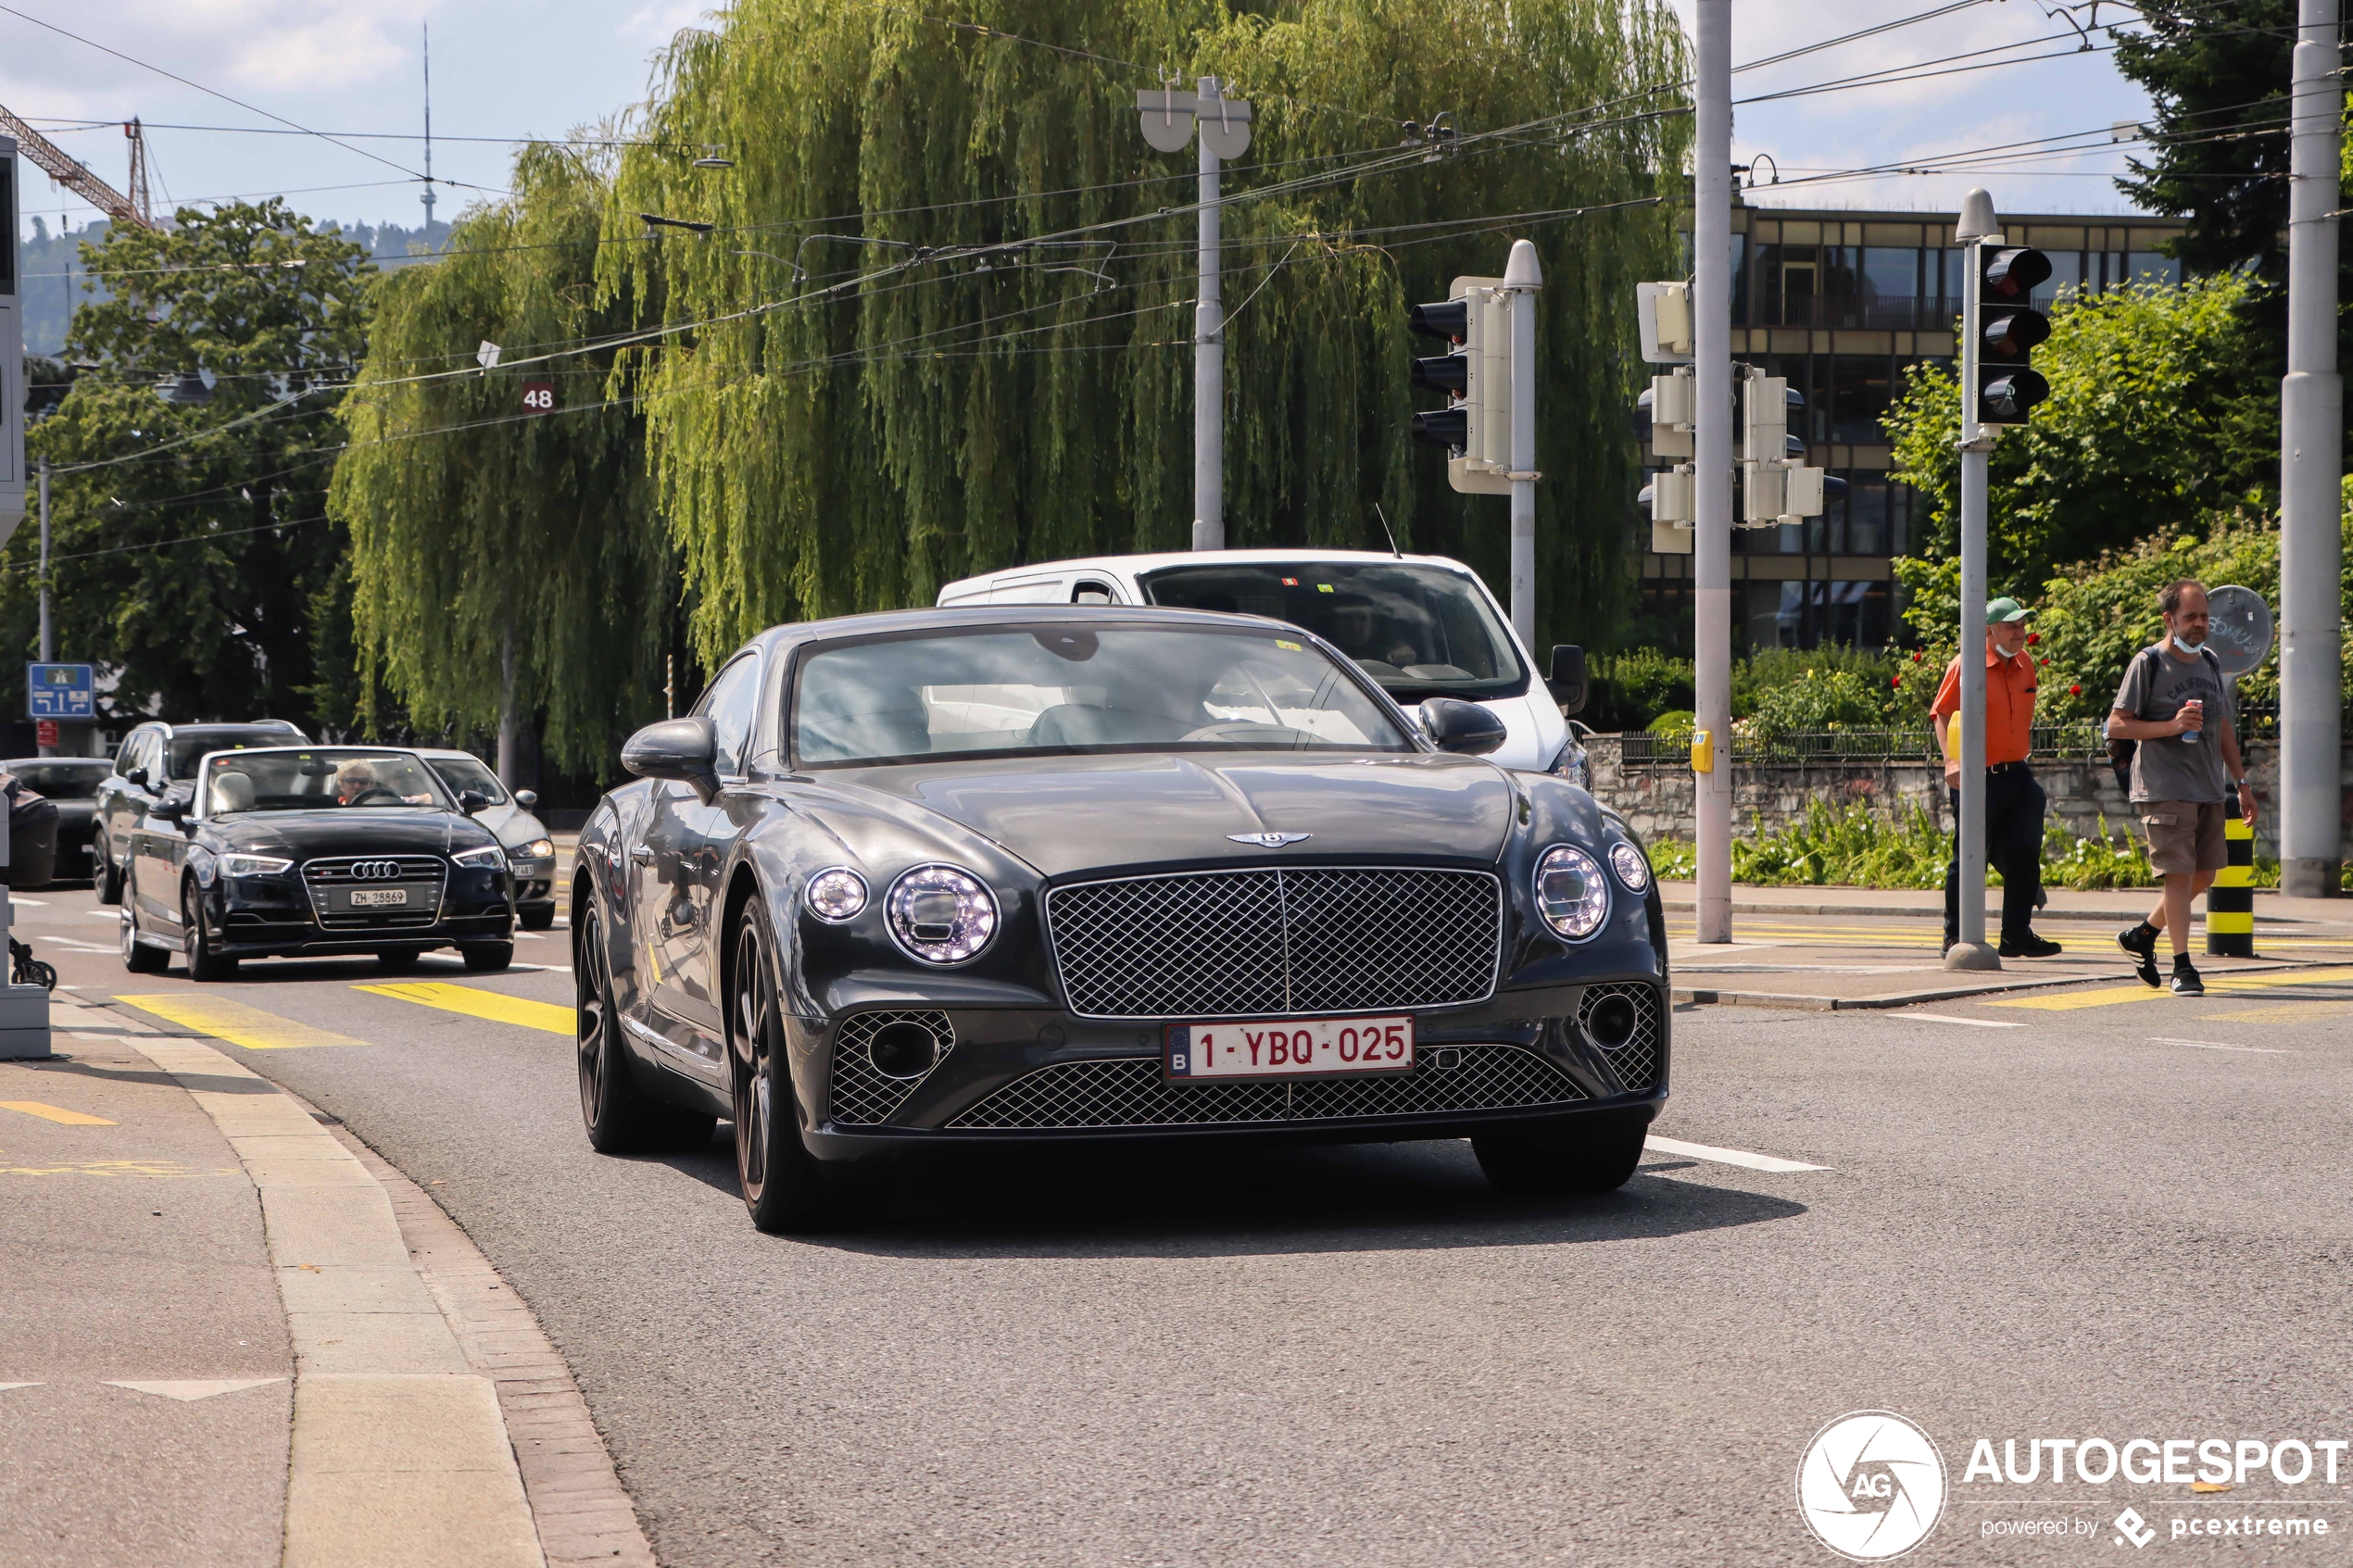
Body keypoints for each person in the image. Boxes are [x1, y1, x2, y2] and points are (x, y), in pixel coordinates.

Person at [2108, 579, 2256, 996]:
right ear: (2169, 619)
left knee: (2204, 875)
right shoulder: (2148, 662)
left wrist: (2241, 782)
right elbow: (2117, 724)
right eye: (2190, 617)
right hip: (2163, 785)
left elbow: (2223, 725)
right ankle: (2182, 967)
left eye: (2205, 617)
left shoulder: (2210, 661)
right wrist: (2171, 726)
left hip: (2207, 785)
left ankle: (2141, 936)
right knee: (2178, 875)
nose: (2199, 624)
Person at [1931, 596, 2061, 958]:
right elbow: (1941, 715)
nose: (2020, 632)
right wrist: (1951, 761)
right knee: (1967, 857)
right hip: (1976, 777)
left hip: (2016, 774)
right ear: (1989, 631)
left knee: (2025, 854)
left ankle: (2015, 936)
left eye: (2022, 625)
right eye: (2011, 626)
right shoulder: (1966, 665)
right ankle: (1954, 937)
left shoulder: (2025, 664)